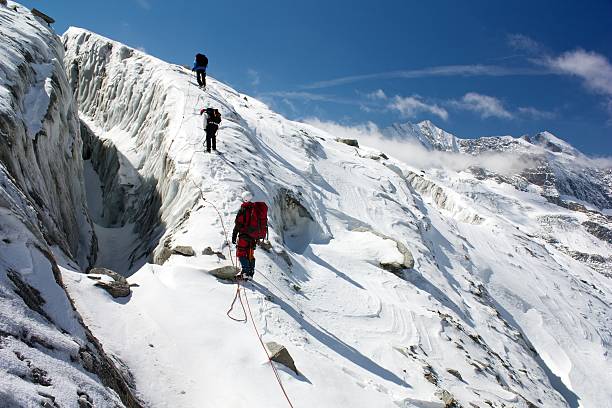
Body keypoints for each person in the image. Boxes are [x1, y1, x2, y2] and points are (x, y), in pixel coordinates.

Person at [231, 192, 268, 280]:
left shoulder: (244, 209)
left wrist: (234, 235)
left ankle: (245, 273)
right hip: (253, 237)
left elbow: (238, 224)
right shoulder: (255, 208)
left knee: (241, 253)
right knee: (250, 254)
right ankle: (250, 274)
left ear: (244, 198)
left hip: (244, 236)